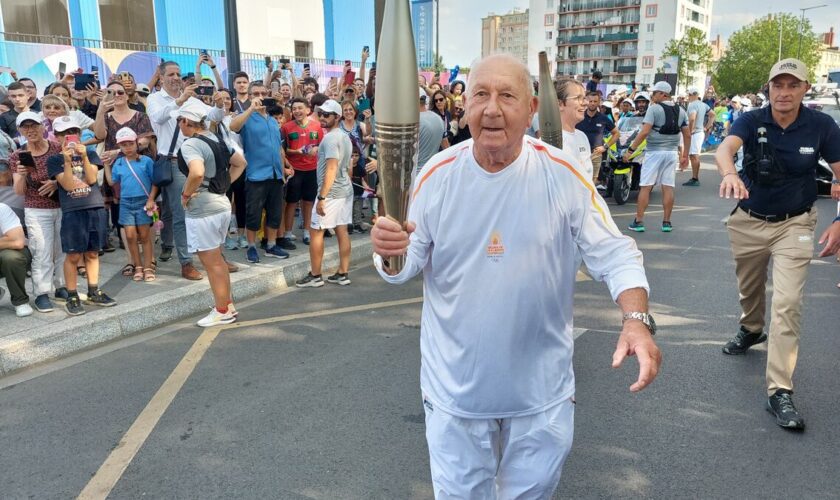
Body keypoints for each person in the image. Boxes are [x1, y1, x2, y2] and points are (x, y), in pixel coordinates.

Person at [370, 54, 660, 498]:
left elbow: (616, 254)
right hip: (456, 397)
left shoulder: (562, 175)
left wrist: (636, 321)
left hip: (540, 398)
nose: (491, 109)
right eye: (480, 95)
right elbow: (403, 268)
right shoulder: (435, 176)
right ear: (463, 108)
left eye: (506, 96)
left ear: (529, 108)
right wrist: (391, 254)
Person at [715, 58, 840, 430]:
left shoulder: (821, 126)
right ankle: (752, 328)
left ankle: (779, 390)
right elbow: (725, 149)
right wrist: (729, 174)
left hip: (796, 223)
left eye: (792, 85)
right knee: (749, 287)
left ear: (805, 89)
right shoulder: (751, 120)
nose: (783, 93)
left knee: (787, 303)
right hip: (748, 221)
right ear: (768, 88)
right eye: (777, 85)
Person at [146, 60, 224, 280]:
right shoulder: (154, 99)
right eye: (170, 74)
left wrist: (219, 104)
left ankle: (216, 257)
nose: (176, 77)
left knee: (207, 208)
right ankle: (186, 262)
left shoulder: (191, 98)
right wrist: (179, 101)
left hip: (197, 160)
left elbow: (214, 117)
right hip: (174, 161)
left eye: (178, 73)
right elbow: (157, 119)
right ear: (160, 77)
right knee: (182, 213)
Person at [175, 100, 247, 327]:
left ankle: (222, 310)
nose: (179, 125)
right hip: (221, 204)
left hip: (203, 209)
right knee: (218, 260)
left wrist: (186, 195)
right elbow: (240, 162)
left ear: (186, 121)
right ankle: (227, 304)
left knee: (212, 263)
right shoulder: (217, 138)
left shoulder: (190, 144)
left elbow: (196, 172)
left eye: (179, 120)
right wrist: (222, 186)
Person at [47, 115, 116, 315]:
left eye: (73, 132)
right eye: (64, 133)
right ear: (57, 137)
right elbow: (68, 184)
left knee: (93, 251)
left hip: (93, 207)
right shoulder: (55, 160)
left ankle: (94, 290)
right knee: (73, 254)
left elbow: (92, 178)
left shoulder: (91, 153)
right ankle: (73, 294)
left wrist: (84, 156)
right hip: (72, 212)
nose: (70, 136)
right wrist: (68, 161)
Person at [10, 112, 68, 313]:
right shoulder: (17, 156)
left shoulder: (56, 148)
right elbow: (19, 192)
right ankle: (42, 293)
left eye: (33, 125)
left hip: (61, 204)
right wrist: (21, 176)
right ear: (19, 130)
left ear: (43, 126)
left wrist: (55, 182)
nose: (30, 130)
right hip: (36, 208)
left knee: (63, 248)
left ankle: (62, 286)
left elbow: (70, 175)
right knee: (41, 250)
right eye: (25, 127)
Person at [229, 81, 291, 262]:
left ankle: (271, 245)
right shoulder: (246, 118)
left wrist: (284, 169)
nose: (260, 96)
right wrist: (250, 110)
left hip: (275, 175)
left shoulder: (273, 120)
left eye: (263, 93)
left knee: (274, 213)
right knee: (253, 214)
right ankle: (251, 246)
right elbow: (233, 127)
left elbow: (278, 148)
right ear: (249, 96)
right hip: (256, 174)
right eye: (256, 93)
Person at [295, 99, 353, 288]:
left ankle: (315, 275)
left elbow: (331, 168)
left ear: (337, 117)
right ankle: (343, 273)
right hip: (344, 190)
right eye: (320, 114)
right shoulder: (342, 135)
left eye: (327, 115)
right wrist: (317, 150)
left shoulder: (330, 138)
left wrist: (321, 197)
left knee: (316, 232)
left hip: (332, 193)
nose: (322, 117)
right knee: (341, 230)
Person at [623, 81, 689, 233]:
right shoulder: (681, 110)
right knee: (668, 187)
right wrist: (684, 155)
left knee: (645, 186)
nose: (652, 96)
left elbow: (645, 132)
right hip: (671, 153)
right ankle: (666, 222)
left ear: (663, 94)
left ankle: (639, 221)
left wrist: (630, 150)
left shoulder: (654, 109)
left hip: (654, 152)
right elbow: (687, 134)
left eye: (654, 93)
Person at [105, 127, 157, 282]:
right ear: (119, 147)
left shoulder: (146, 161)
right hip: (126, 202)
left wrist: (151, 199)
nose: (127, 147)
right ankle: (138, 266)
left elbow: (155, 182)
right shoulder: (119, 163)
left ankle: (147, 267)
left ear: (136, 143)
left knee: (145, 235)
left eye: (130, 144)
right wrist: (106, 165)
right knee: (130, 236)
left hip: (143, 201)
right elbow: (111, 181)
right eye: (123, 145)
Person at [281, 97, 322, 246]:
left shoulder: (317, 126)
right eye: (294, 109)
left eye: (300, 108)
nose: (297, 111)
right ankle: (287, 232)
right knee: (291, 202)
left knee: (308, 201)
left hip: (312, 169)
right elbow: (284, 150)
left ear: (308, 110)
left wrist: (317, 148)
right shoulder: (286, 127)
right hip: (294, 170)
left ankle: (306, 231)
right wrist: (297, 151)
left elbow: (321, 146)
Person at [577, 91, 619, 186]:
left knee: (592, 183)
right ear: (586, 101)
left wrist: (605, 147)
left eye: (595, 101)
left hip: (596, 154)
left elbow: (616, 134)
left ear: (599, 102)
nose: (592, 103)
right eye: (590, 101)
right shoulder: (579, 116)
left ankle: (589, 200)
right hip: (579, 153)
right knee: (578, 180)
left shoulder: (603, 118)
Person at [0, 201, 33, 317]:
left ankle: (20, 301)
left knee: (10, 258)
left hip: (14, 252)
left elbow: (17, 241)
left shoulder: (1, 208)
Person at [556, 79, 594, 179]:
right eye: (578, 98)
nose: (586, 103)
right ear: (560, 104)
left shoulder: (582, 136)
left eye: (585, 98)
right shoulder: (549, 140)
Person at [682, 87, 715, 187]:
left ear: (691, 95)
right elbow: (713, 115)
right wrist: (707, 127)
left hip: (695, 132)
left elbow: (692, 118)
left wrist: (690, 130)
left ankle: (695, 178)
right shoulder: (703, 104)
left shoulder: (692, 105)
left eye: (689, 95)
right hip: (700, 131)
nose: (688, 97)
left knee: (694, 156)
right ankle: (694, 177)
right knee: (694, 155)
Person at [416, 87, 446, 178]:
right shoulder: (437, 117)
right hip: (433, 172)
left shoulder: (413, 122)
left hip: (416, 175)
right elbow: (445, 145)